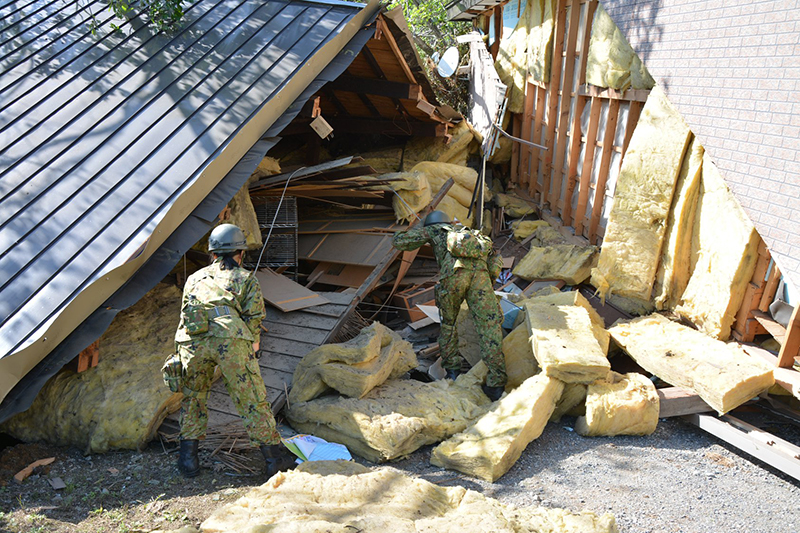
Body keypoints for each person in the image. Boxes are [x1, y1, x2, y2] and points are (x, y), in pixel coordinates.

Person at [173, 224, 296, 478]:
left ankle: (188, 461)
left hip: (192, 341)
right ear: (239, 252)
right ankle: (273, 460)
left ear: (213, 253)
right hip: (229, 338)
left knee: (193, 397)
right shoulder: (245, 278)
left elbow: (185, 316)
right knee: (251, 399)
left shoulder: (194, 278)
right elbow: (254, 317)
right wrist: (253, 346)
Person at [392, 210, 507, 401]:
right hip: (480, 278)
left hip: (453, 277)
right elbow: (495, 257)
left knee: (449, 325)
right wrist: (489, 279)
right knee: (489, 328)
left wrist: (420, 228)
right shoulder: (470, 233)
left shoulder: (436, 229)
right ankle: (496, 384)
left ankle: (452, 373)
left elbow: (399, 241)